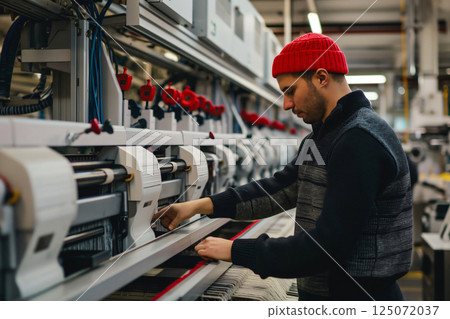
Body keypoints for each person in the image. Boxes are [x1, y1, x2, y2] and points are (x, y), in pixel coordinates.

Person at [152, 33, 413, 301]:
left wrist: (236, 250)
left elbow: (327, 247)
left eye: (290, 91)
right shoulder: (323, 137)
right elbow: (281, 189)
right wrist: (200, 205)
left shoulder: (359, 139)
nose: (287, 104)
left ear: (321, 78)